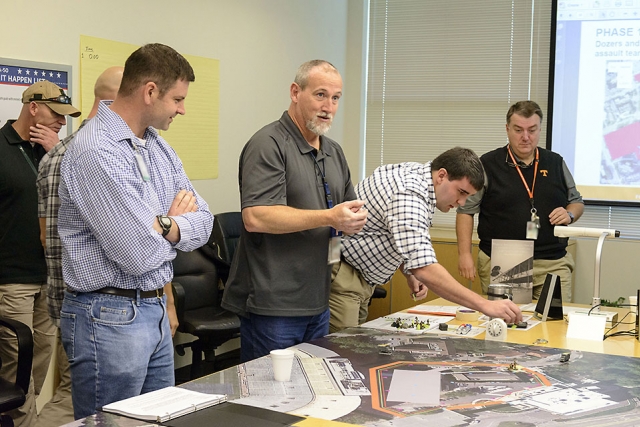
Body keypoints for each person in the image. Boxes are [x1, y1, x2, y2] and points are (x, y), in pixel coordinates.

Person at [58, 44, 213, 419]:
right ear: (149, 92)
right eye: (177, 98)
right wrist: (175, 226)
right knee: (112, 423)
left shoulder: (157, 146)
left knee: (157, 419)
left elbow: (205, 221)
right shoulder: (96, 151)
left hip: (153, 310)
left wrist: (163, 224)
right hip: (109, 316)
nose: (182, 109)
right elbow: (137, 254)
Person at [221, 60, 367, 362]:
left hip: (318, 300)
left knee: (313, 390)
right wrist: (330, 217)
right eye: (320, 95)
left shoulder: (333, 151)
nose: (328, 106)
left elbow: (346, 207)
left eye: (336, 98)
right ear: (295, 92)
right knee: (271, 399)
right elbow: (257, 216)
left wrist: (354, 219)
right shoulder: (268, 144)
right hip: (274, 306)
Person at [329, 147, 523, 332]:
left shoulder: (420, 175)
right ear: (441, 176)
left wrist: (408, 271)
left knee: (350, 346)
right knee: (338, 352)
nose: (461, 203)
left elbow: (389, 231)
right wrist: (485, 305)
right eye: (461, 192)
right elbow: (424, 268)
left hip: (359, 275)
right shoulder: (410, 194)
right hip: (344, 274)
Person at [35, 66, 131, 427]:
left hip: (66, 301)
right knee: (90, 405)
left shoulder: (53, 156)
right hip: (104, 310)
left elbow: (46, 237)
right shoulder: (104, 154)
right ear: (114, 101)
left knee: (72, 394)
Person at [0, 80, 80, 427]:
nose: (62, 121)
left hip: (48, 278)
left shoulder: (52, 152)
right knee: (17, 370)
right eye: (56, 114)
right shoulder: (1, 147)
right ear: (33, 107)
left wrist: (56, 152)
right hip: (11, 280)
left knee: (41, 363)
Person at [456, 100, 584, 302]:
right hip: (505, 260)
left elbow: (576, 202)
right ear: (507, 129)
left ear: (540, 129)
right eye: (518, 130)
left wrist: (569, 214)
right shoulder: (488, 164)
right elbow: (466, 211)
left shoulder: (555, 162)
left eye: (532, 130)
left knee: (554, 326)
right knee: (508, 326)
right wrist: (464, 254)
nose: (525, 137)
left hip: (552, 261)